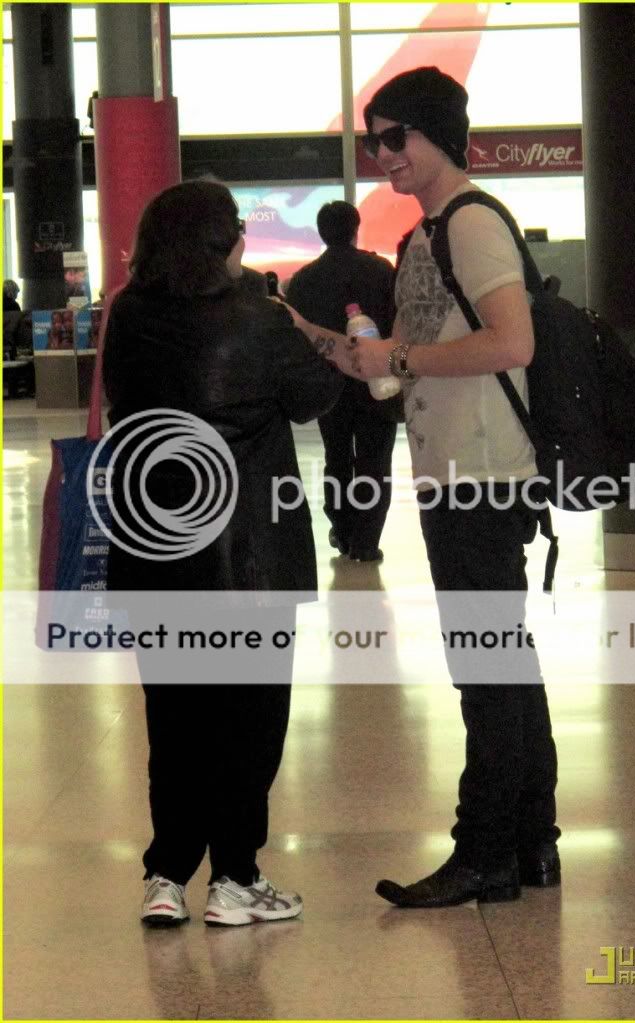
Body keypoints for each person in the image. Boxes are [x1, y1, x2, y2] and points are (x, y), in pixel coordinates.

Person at [286, 67, 560, 908]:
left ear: (439, 132)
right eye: (375, 141)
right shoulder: (423, 236)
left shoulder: (471, 224)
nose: (384, 155)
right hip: (452, 473)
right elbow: (386, 371)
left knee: (485, 664)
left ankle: (484, 851)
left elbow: (512, 343)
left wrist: (398, 355)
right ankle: (531, 842)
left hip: (483, 477)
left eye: (395, 137)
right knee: (503, 659)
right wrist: (306, 334)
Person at [103, 180, 343, 927]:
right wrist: (296, 325)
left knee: (175, 718)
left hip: (157, 548)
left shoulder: (128, 314)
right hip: (250, 558)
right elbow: (313, 396)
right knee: (249, 720)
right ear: (221, 241)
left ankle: (167, 874)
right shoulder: (259, 317)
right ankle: (235, 876)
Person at [285, 201, 398, 561]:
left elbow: (298, 337)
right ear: (355, 228)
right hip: (377, 380)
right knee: (374, 461)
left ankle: (343, 531)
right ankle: (366, 542)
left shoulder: (304, 279)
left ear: (321, 232)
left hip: (329, 385)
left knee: (336, 457)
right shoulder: (381, 270)